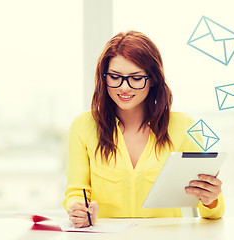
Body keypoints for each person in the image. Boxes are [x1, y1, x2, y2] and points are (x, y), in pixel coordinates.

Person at [63, 30, 224, 228]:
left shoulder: (184, 127)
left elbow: (213, 214)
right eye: (115, 77)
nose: (124, 87)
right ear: (103, 78)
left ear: (153, 79)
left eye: (136, 78)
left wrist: (211, 200)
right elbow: (75, 192)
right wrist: (78, 209)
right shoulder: (83, 126)